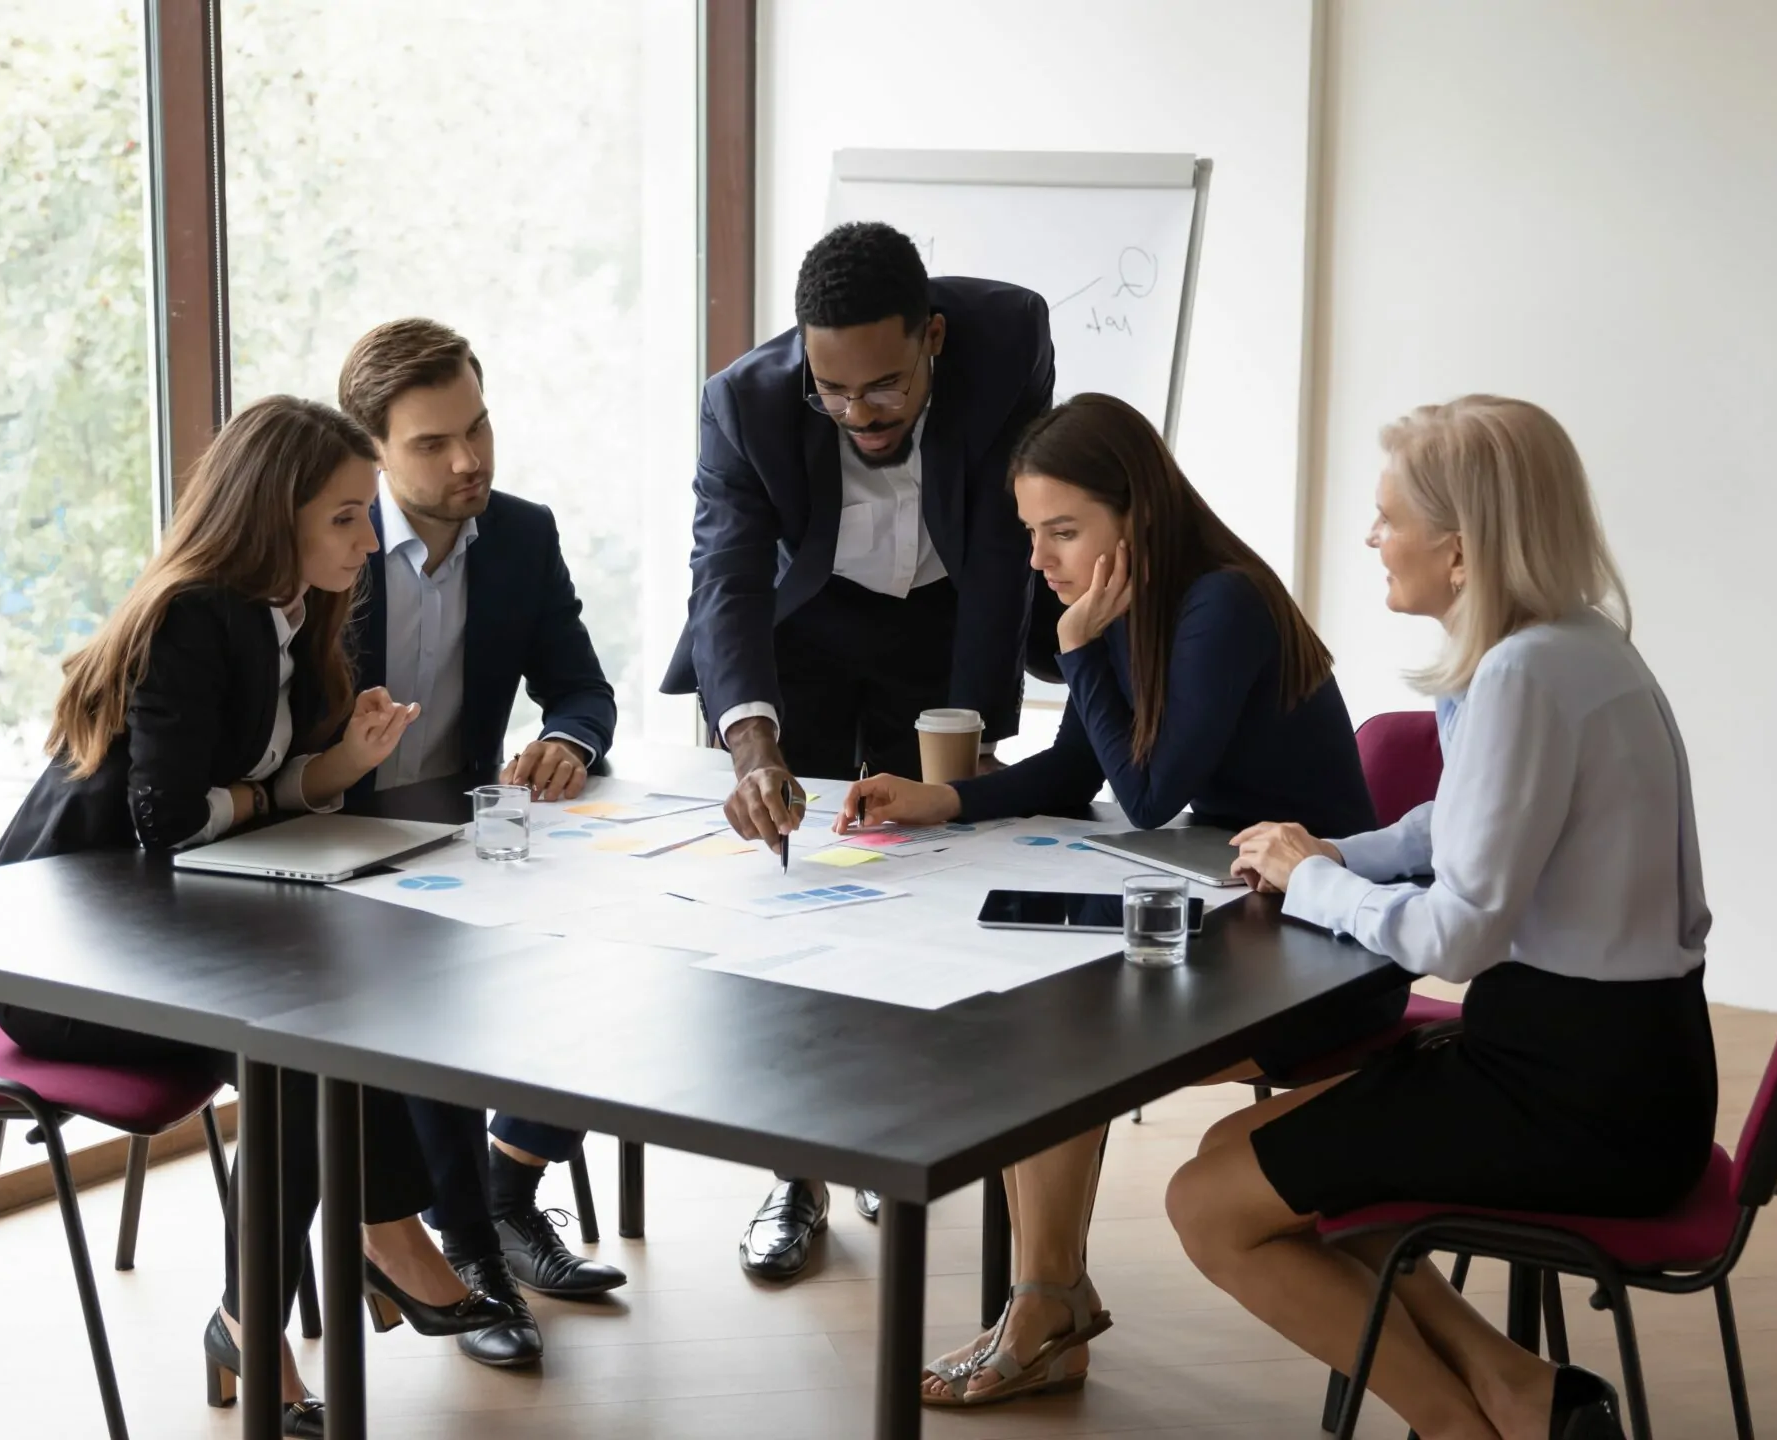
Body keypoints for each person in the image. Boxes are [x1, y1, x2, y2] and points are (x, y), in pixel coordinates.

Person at [1168, 396, 1714, 1440]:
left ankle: (1462, 1429)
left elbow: (1454, 939)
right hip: (1633, 1069)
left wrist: (1315, 882)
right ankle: (1523, 1392)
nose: (1371, 539)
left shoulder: (1522, 675)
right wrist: (1328, 856)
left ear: (1458, 550)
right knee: (1255, 1155)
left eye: (1386, 518)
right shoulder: (1572, 644)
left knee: (1207, 1207)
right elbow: (1455, 819)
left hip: (1575, 1097)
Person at [835, 393, 1397, 1406]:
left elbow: (1146, 794)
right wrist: (940, 799)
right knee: (1036, 1008)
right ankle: (1045, 1304)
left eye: (1062, 531)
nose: (1041, 558)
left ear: (1132, 516)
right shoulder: (1142, 601)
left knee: (1062, 1035)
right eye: (1031, 534)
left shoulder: (1220, 602)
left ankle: (1045, 1310)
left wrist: (1082, 645)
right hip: (1241, 915)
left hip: (1324, 955)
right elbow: (1068, 773)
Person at [0, 396, 508, 1437]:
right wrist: (282, 794)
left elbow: (243, 794)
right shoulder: (193, 615)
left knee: (324, 1016)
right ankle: (376, 1241)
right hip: (65, 960)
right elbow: (167, 821)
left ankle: (268, 1307)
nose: (369, 541)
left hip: (167, 930)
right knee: (295, 1040)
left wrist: (341, 766)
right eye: (346, 519)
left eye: (367, 516)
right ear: (275, 518)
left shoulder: (295, 611)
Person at [660, 220, 1056, 1281]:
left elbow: (1012, 544)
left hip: (945, 626)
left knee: (926, 883)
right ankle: (794, 1168)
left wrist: (973, 732)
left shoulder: (1009, 341)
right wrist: (751, 747)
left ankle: (893, 1140)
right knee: (799, 894)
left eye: (882, 388)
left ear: (930, 338)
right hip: (811, 636)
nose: (856, 416)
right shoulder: (743, 403)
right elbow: (728, 579)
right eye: (832, 393)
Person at [334, 318, 625, 1369]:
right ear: (370, 450)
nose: (469, 461)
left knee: (623, 952)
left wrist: (565, 737)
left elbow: (584, 686)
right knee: (434, 996)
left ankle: (506, 1192)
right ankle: (471, 1255)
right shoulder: (328, 537)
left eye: (479, 427)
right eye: (431, 443)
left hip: (465, 830)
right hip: (331, 848)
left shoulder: (521, 533)